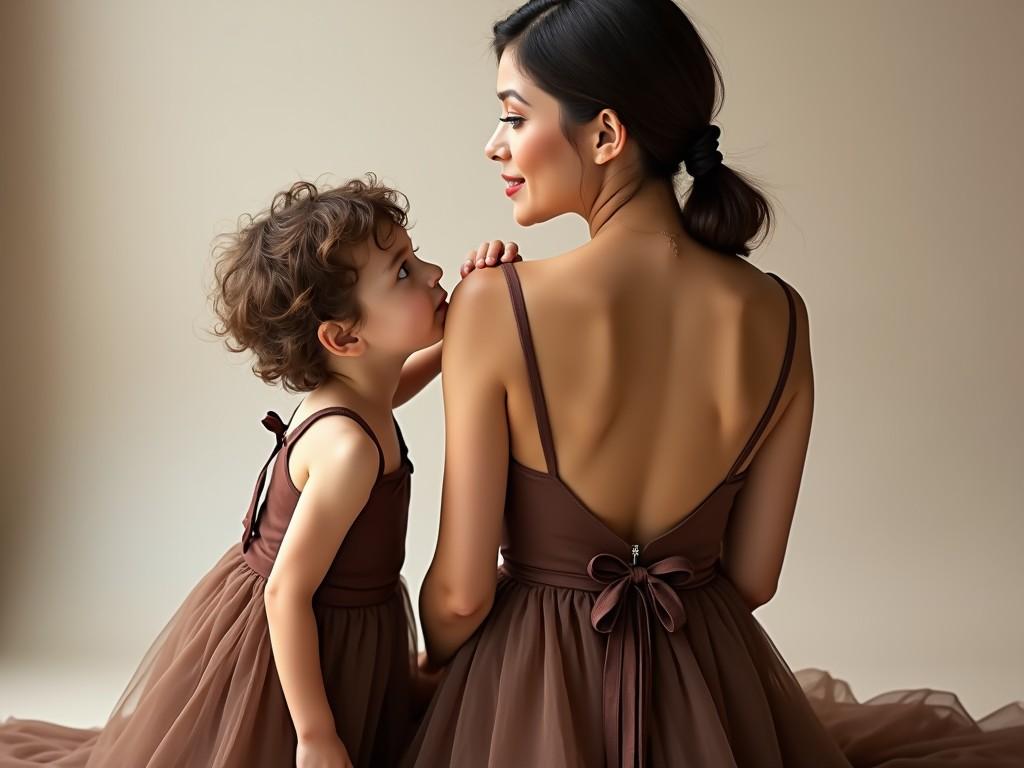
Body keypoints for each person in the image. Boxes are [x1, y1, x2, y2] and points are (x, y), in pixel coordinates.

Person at [403, 1, 1024, 766]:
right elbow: (754, 577)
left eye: (513, 116)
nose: (495, 145)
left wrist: (427, 674)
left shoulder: (496, 305)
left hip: (530, 695)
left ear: (604, 134)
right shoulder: (780, 315)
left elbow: (461, 596)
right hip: (708, 696)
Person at [0, 176, 517, 768]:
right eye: (402, 271)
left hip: (339, 626)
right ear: (344, 336)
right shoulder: (347, 449)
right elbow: (285, 592)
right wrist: (316, 734)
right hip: (294, 644)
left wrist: (477, 314)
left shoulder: (360, 394)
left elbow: (403, 385)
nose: (431, 273)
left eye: (415, 254)